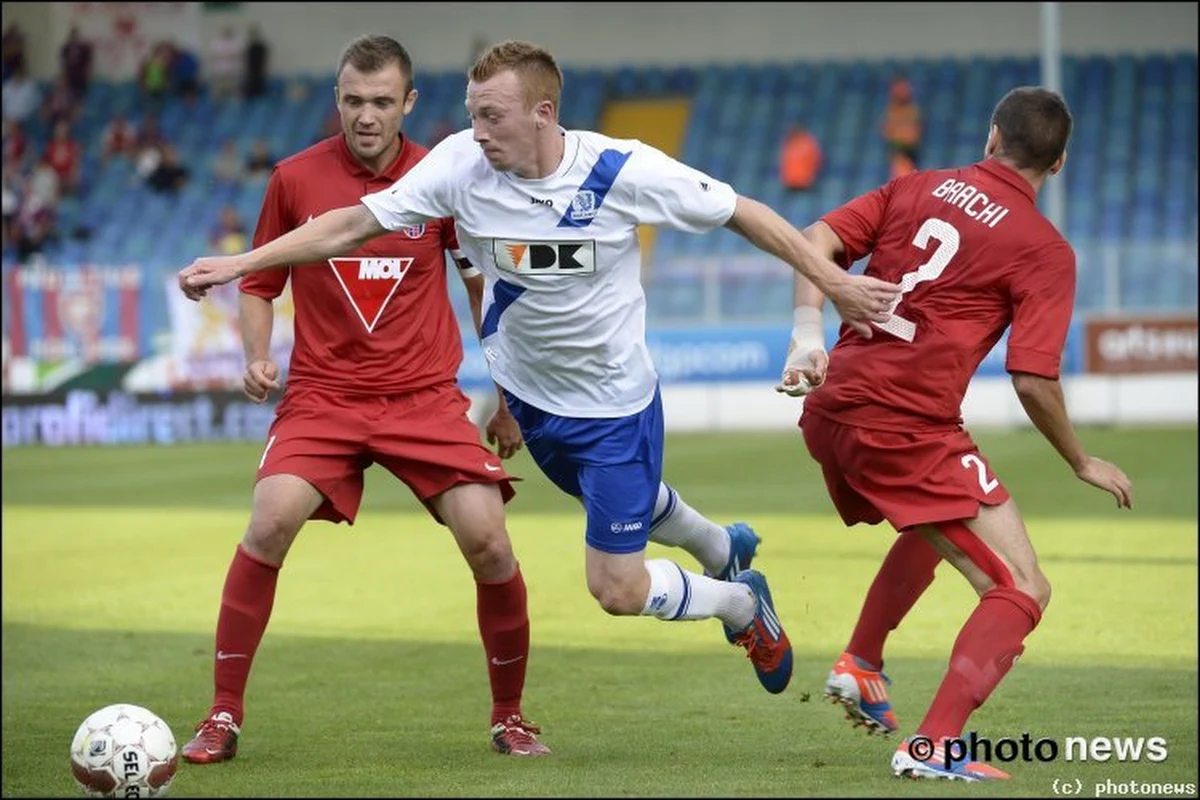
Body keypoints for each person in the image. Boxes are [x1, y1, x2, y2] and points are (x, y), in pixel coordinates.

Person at [177, 40, 903, 701]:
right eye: (470, 114)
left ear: (542, 113)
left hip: (613, 405)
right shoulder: (460, 164)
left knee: (614, 584)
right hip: (530, 401)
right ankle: (719, 545)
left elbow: (746, 213)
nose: (476, 131)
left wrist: (830, 288)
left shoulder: (622, 170)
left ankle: (743, 605)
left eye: (491, 116)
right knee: (614, 505)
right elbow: (351, 223)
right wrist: (242, 263)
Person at [176, 35, 552, 764]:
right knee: (268, 523)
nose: (366, 115)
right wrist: (257, 356)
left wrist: (508, 400)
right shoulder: (294, 178)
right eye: (353, 100)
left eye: (382, 101)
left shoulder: (445, 177)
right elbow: (258, 283)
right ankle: (222, 716)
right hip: (324, 396)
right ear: (337, 100)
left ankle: (510, 717)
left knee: (489, 541)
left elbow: (486, 295)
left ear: (408, 103)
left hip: (424, 398)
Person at [774, 86, 1134, 781]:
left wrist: (805, 336)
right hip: (901, 425)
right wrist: (1080, 460)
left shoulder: (916, 186)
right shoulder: (1046, 251)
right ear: (1057, 166)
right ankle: (934, 745)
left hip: (832, 408)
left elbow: (814, 241)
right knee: (1023, 586)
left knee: (940, 522)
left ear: (992, 137)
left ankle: (863, 661)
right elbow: (1032, 379)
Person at [881, 76, 921, 179]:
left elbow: (913, 136)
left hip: (907, 152)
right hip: (899, 151)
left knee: (907, 179)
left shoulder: (912, 110)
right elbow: (886, 131)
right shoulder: (892, 110)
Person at [779, 123, 822, 192]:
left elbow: (816, 161)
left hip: (805, 181)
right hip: (790, 181)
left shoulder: (808, 143)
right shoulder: (790, 144)